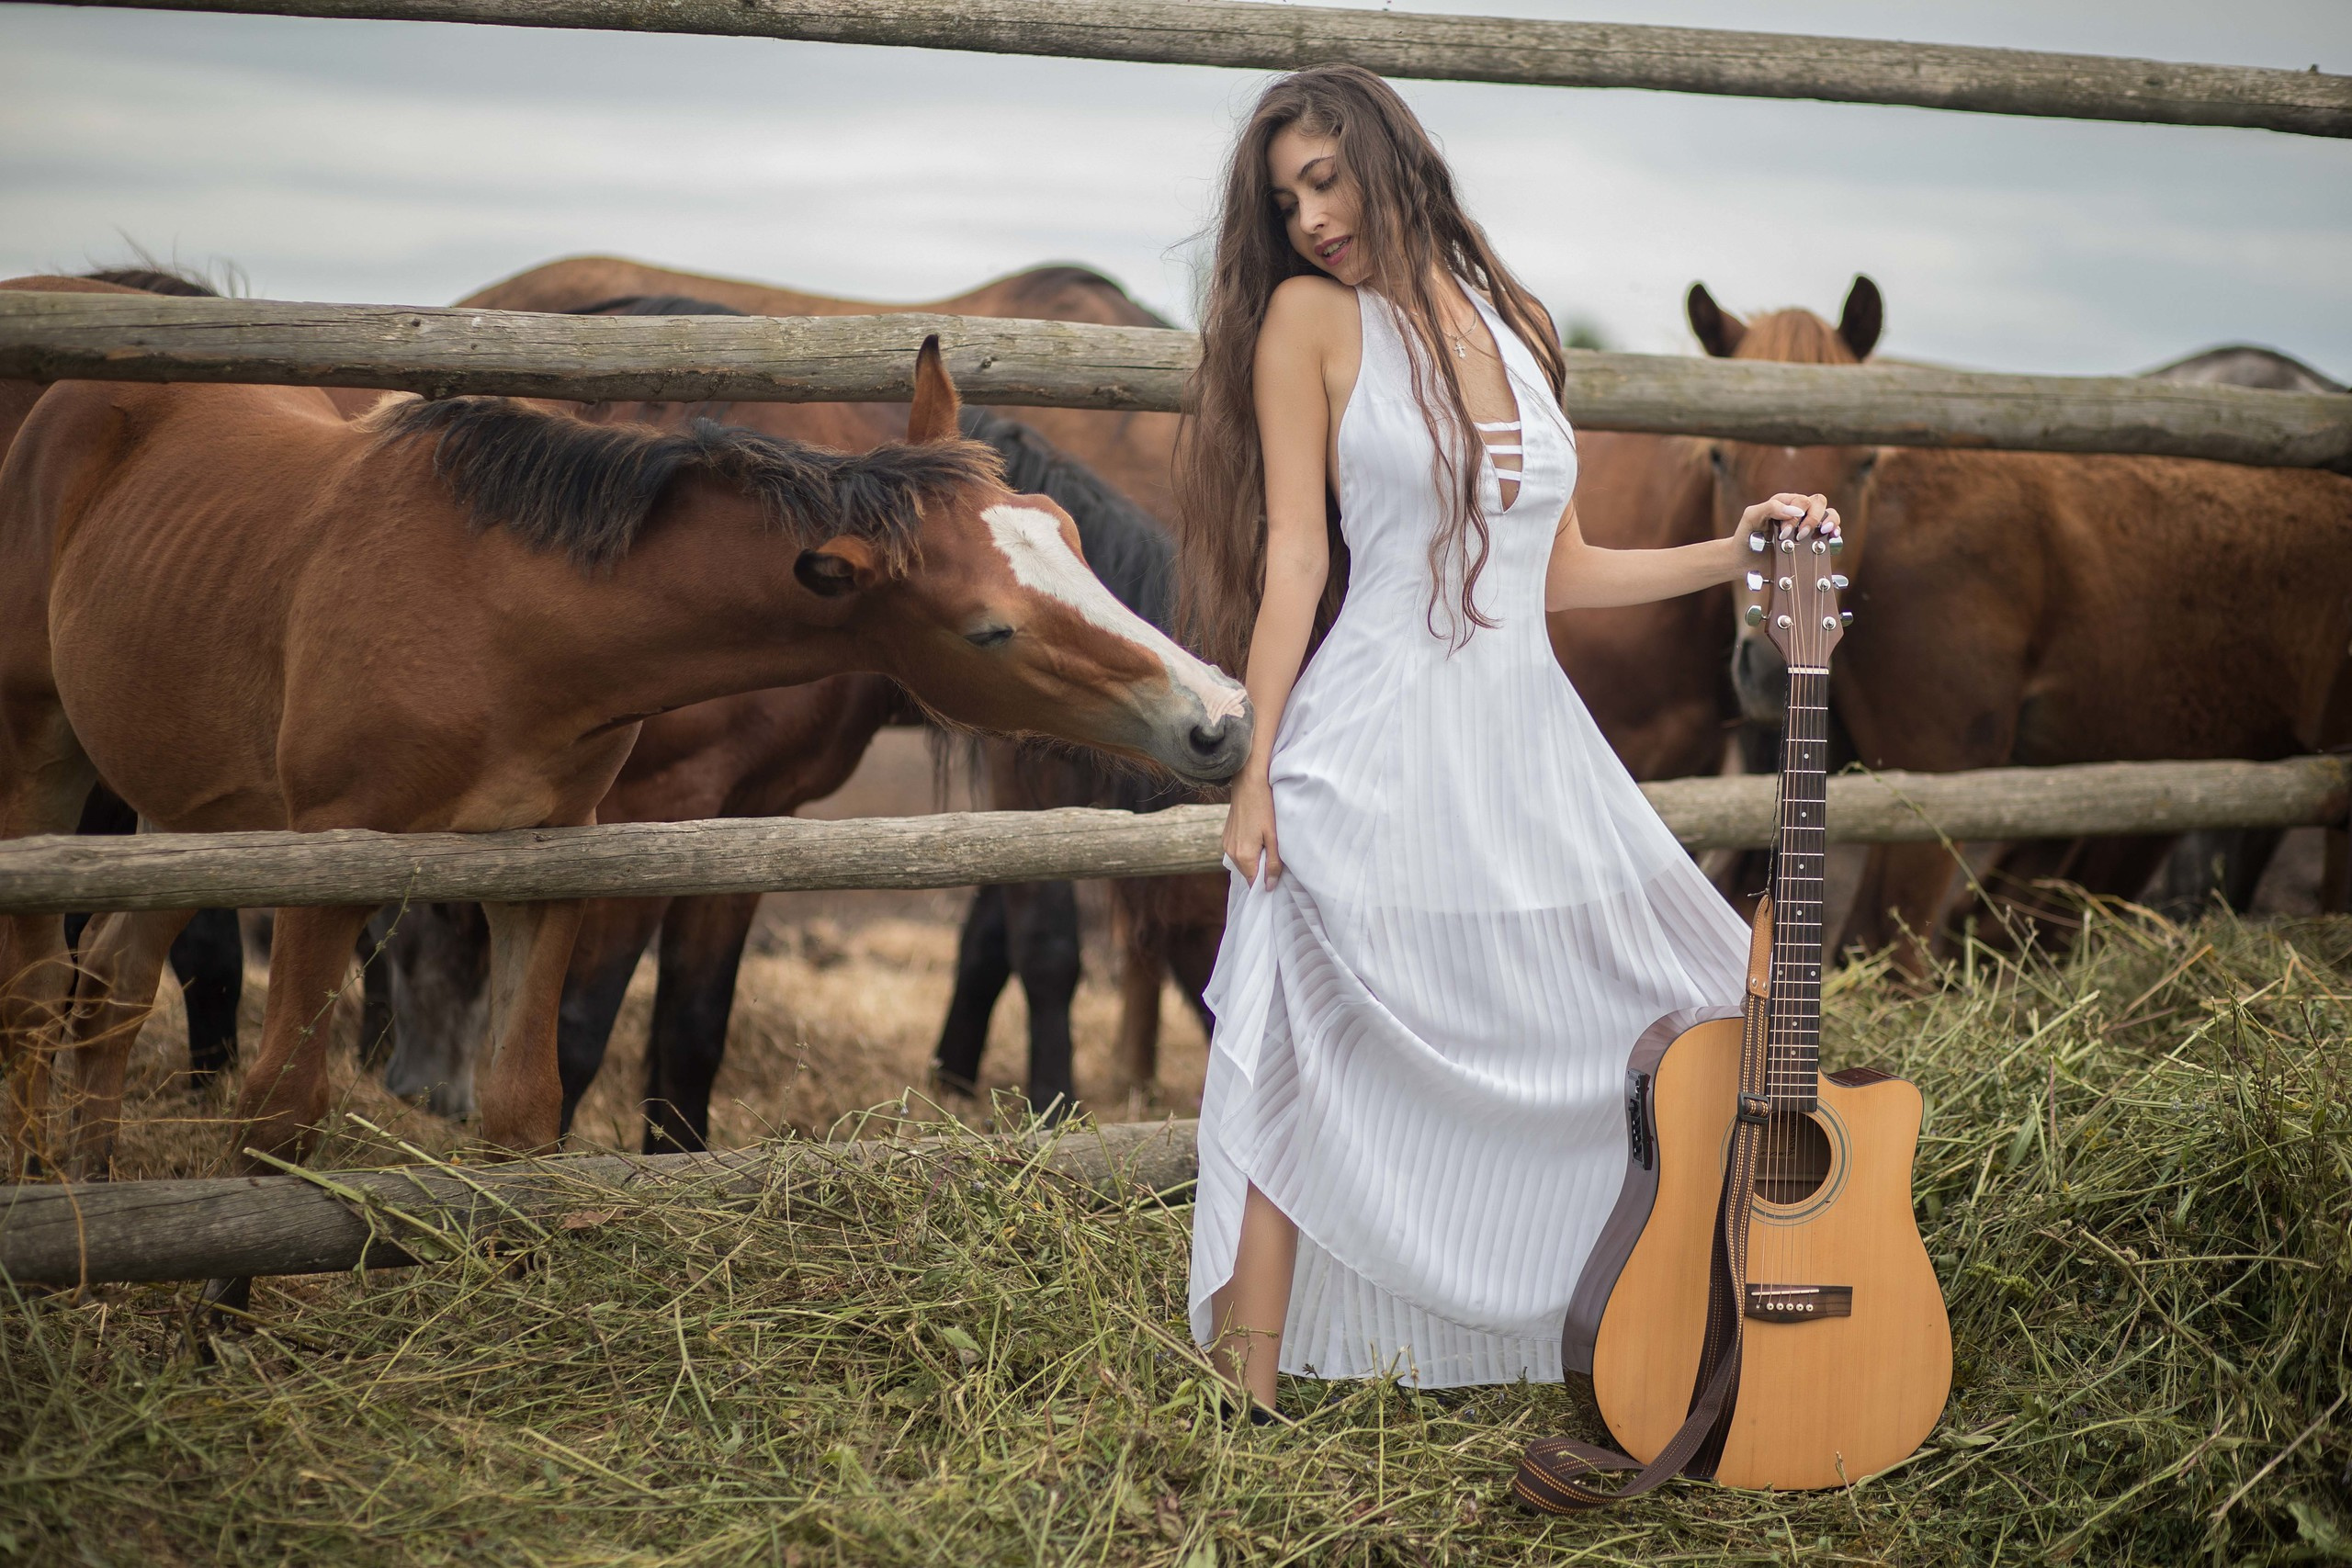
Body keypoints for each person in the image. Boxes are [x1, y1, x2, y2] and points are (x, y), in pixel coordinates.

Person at [1171, 64, 1837, 1415]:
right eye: (1286, 201)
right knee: (1305, 1032)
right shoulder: (1308, 322)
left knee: (1695, 1000)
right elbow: (1298, 561)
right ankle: (1243, 1406)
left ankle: (1646, 1324)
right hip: (1366, 740)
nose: (1310, 219)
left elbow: (1561, 569)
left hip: (1522, 744)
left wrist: (1738, 552)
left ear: (1390, 160)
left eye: (1325, 181)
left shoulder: (1519, 322)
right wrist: (1255, 772)